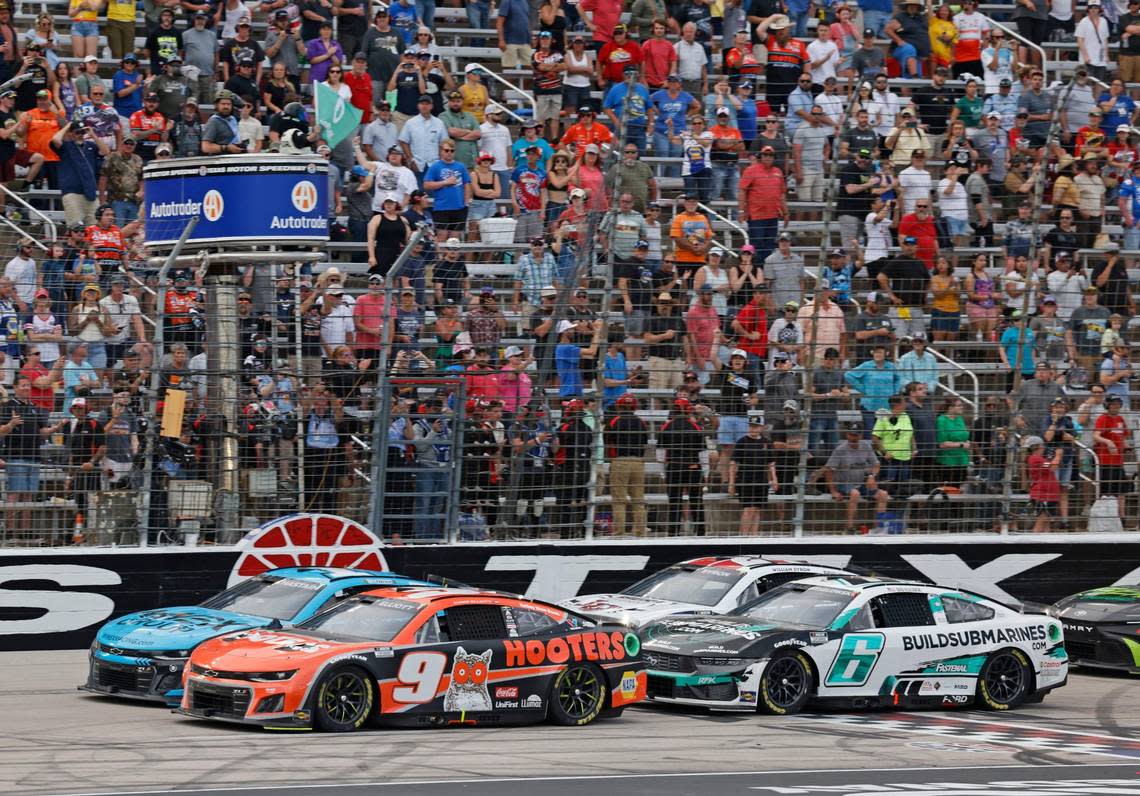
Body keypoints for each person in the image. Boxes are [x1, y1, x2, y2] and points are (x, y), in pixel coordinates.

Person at [824, 421, 890, 534]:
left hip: (862, 483)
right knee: (855, 493)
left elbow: (876, 464)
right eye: (850, 434)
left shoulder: (866, 446)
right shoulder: (840, 450)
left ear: (861, 435)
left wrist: (871, 476)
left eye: (855, 435)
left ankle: (879, 528)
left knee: (883, 494)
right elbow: (829, 470)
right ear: (846, 434)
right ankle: (849, 527)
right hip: (843, 483)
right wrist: (833, 491)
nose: (852, 437)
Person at [659, 397, 705, 535]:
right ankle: (701, 532)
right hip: (693, 467)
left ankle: (673, 532)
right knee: (696, 501)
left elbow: (660, 453)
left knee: (674, 501)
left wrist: (662, 473)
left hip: (674, 467)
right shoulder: (695, 426)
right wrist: (705, 473)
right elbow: (703, 452)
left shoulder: (666, 426)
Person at [605, 393, 649, 536]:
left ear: (619, 406)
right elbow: (645, 441)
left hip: (620, 461)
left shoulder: (613, 421)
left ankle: (619, 532)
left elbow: (607, 441)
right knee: (638, 499)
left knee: (619, 500)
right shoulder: (641, 422)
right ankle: (640, 531)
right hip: (638, 462)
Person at [729, 416, 777, 536]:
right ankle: (743, 536)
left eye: (755, 426)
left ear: (761, 428)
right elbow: (734, 463)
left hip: (761, 479)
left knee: (757, 509)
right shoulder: (742, 442)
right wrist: (731, 483)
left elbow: (771, 463)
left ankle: (754, 536)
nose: (753, 429)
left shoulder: (766, 442)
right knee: (748, 508)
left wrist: (774, 478)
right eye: (751, 426)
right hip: (746, 479)